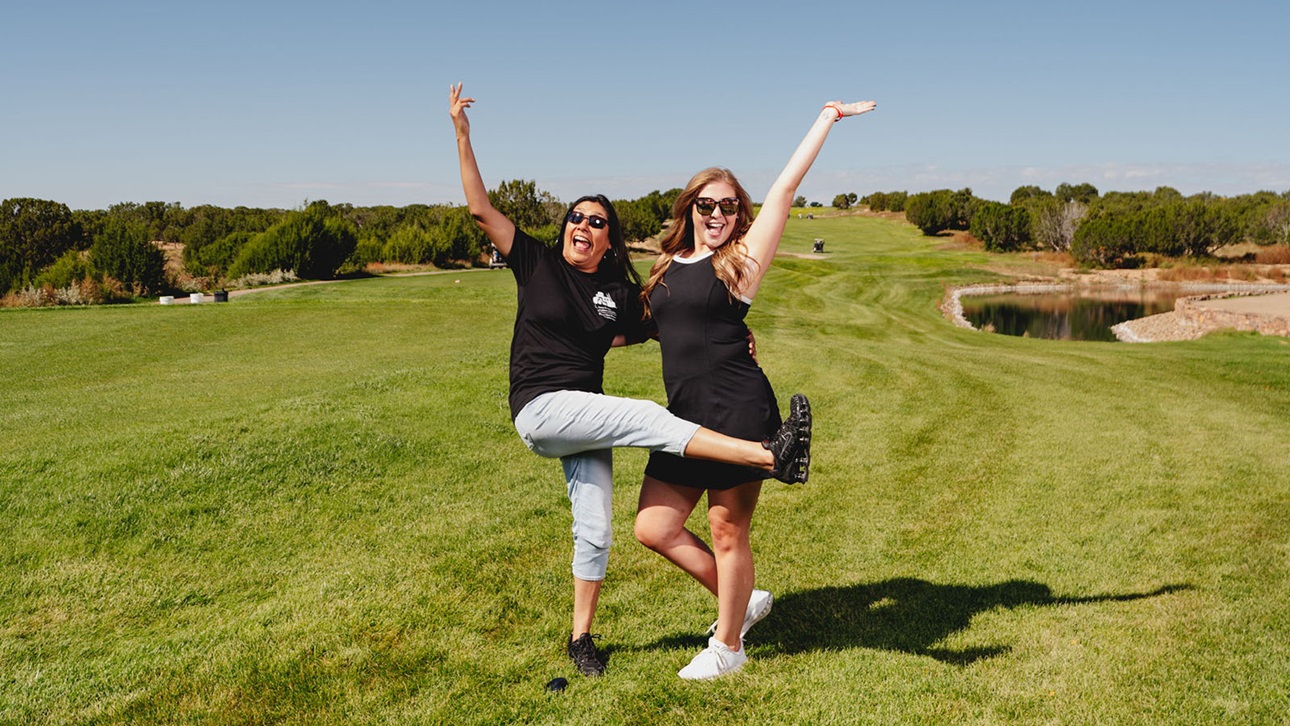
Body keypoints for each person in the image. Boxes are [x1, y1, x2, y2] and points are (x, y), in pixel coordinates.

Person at [448, 83, 813, 678]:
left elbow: (677, 322)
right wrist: (462, 134)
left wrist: (738, 335)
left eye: (596, 221)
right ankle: (770, 454)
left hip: (584, 413)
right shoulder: (535, 262)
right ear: (564, 226)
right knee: (648, 418)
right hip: (541, 408)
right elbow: (481, 209)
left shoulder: (620, 297)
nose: (582, 226)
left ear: (609, 238)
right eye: (576, 217)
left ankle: (586, 639)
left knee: (602, 528)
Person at [634, 99, 876, 680]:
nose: (716, 213)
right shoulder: (666, 264)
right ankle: (743, 600)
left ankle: (729, 647)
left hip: (737, 406)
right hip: (684, 416)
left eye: (728, 205)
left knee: (725, 528)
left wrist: (826, 118)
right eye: (706, 204)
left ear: (739, 213)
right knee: (653, 527)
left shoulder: (738, 262)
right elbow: (639, 329)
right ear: (689, 207)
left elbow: (786, 186)